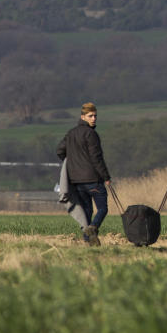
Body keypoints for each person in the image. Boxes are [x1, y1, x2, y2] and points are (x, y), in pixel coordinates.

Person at [56, 102, 112, 246]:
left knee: (87, 211)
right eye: (90, 116)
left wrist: (72, 162)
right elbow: (96, 158)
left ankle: (88, 241)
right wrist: (106, 176)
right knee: (103, 208)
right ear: (83, 116)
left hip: (76, 181)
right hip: (93, 178)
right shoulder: (91, 134)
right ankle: (93, 228)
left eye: (95, 116)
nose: (94, 118)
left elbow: (59, 151)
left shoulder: (71, 133)